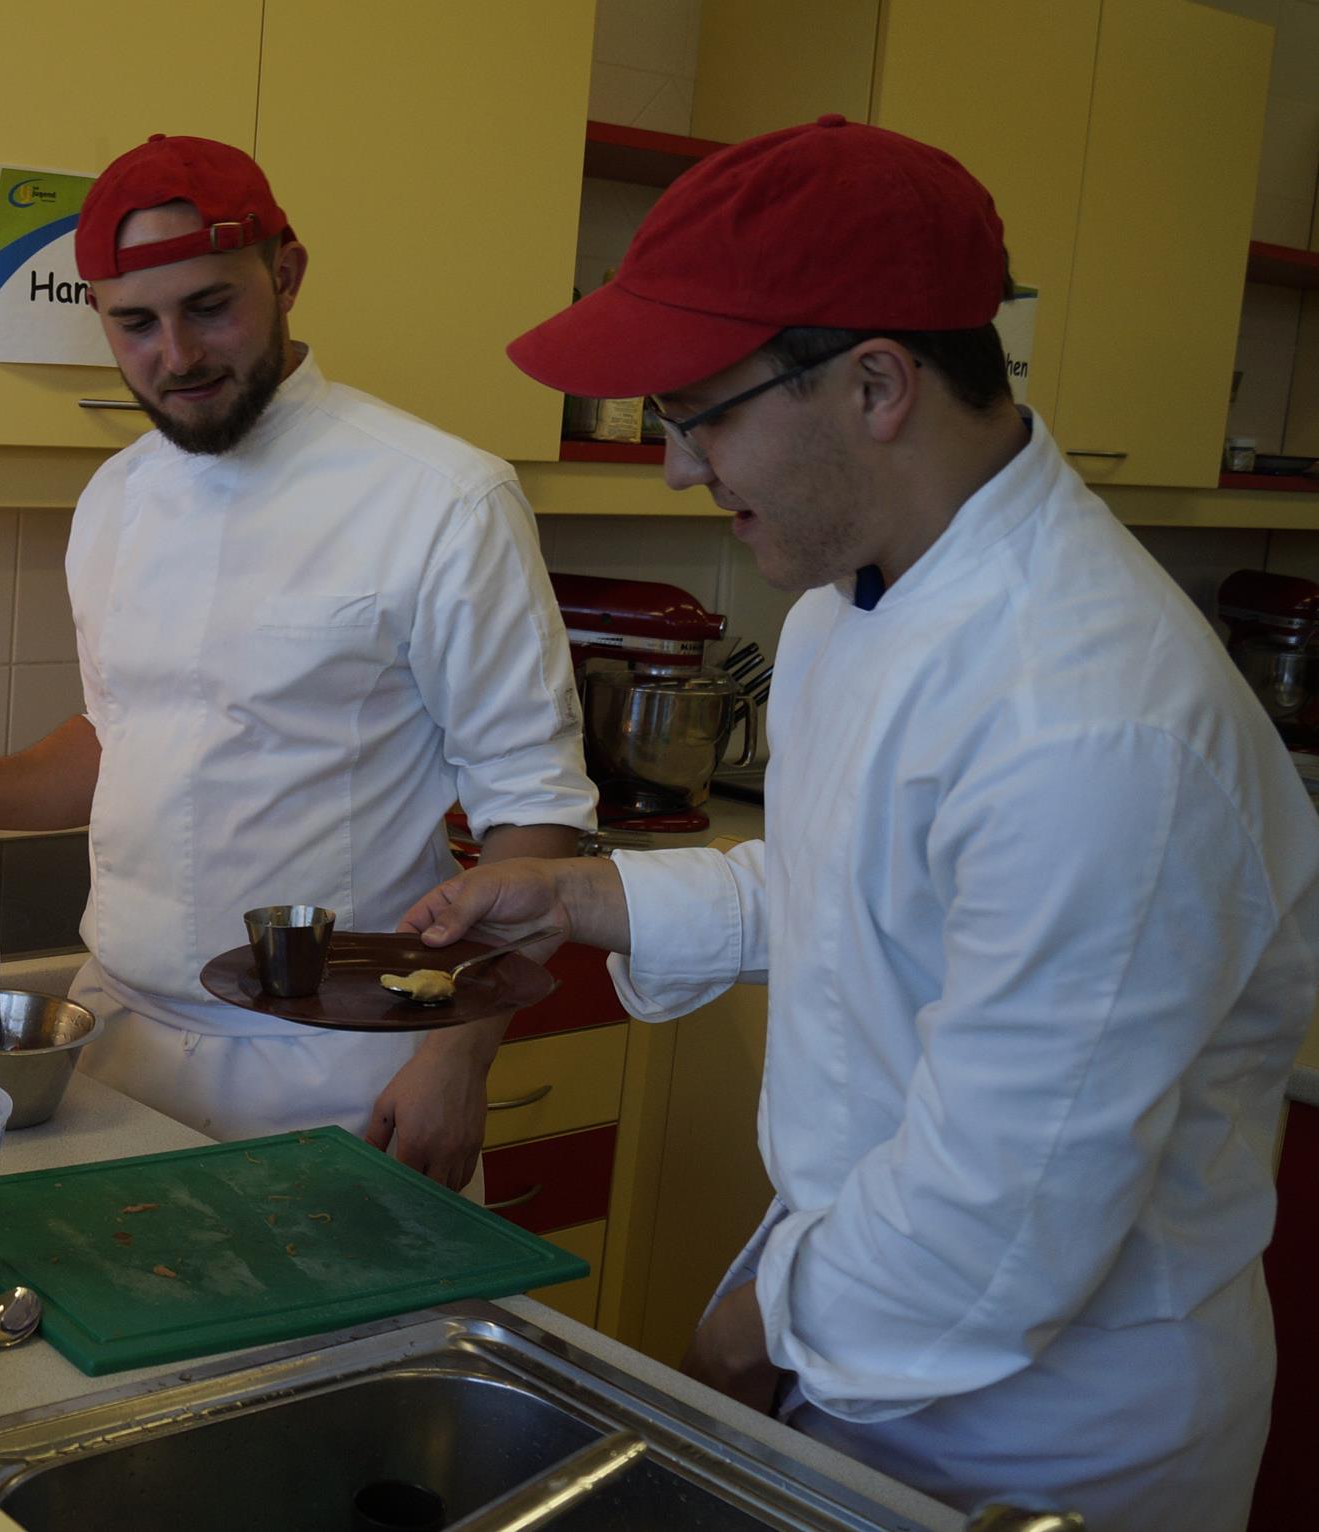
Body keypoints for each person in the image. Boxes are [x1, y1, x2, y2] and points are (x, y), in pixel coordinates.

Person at [403, 116, 1318, 1528]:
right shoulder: (853, 597)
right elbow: (846, 885)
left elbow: (996, 1220)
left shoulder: (1094, 722)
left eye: (700, 414)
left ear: (877, 384)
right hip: (857, 1341)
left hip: (1043, 1446)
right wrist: (588, 899)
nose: (678, 468)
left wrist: (735, 1345)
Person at [0, 135, 597, 1182]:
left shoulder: (442, 499)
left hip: (342, 1069)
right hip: (118, 1054)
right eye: (135, 323)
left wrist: (460, 1055)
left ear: (287, 274)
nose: (177, 355)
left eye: (209, 306)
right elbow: (125, 737)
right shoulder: (114, 501)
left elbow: (535, 810)